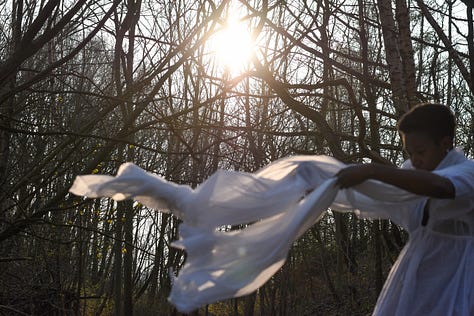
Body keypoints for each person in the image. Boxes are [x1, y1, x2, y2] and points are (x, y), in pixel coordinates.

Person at [336, 103, 474, 315]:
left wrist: (373, 170)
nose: (414, 160)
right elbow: (383, 195)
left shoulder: (467, 172)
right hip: (414, 283)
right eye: (409, 153)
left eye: (420, 152)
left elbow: (442, 186)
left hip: (458, 281)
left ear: (445, 144)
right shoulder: (411, 171)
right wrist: (325, 188)